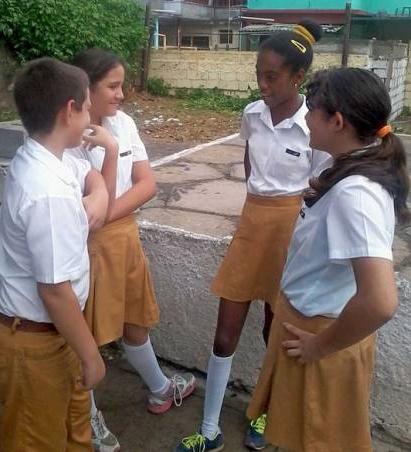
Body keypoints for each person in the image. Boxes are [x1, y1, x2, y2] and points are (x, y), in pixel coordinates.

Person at [176, 20, 331, 452]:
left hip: (290, 232)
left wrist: (295, 228)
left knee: (273, 329)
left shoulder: (312, 126)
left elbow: (319, 186)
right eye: (258, 74)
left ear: (297, 78)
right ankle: (209, 431)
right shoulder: (251, 114)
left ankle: (266, 414)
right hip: (252, 226)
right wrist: (256, 209)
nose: (261, 83)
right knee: (225, 332)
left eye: (272, 76)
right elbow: (250, 164)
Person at [247, 67, 409, 451]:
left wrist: (320, 347)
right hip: (308, 327)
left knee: (319, 441)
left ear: (336, 121)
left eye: (312, 110)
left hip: (320, 337)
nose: (305, 117)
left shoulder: (357, 195)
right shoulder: (346, 167)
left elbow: (381, 301)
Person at [68, 48, 196, 452]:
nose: (122, 93)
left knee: (134, 320)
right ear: (85, 88)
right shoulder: (69, 134)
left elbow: (147, 183)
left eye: (122, 84)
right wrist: (103, 218)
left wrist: (108, 215)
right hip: (85, 248)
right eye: (113, 86)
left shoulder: (123, 123)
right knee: (82, 336)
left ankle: (160, 388)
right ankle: (87, 419)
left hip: (123, 236)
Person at [0, 57, 111, 451]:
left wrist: (102, 192)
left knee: (74, 433)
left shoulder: (43, 152)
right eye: (88, 106)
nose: (92, 114)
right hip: (33, 341)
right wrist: (92, 357)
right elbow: (54, 291)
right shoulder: (49, 193)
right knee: (35, 441)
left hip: (54, 335)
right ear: (69, 111)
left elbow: (86, 174)